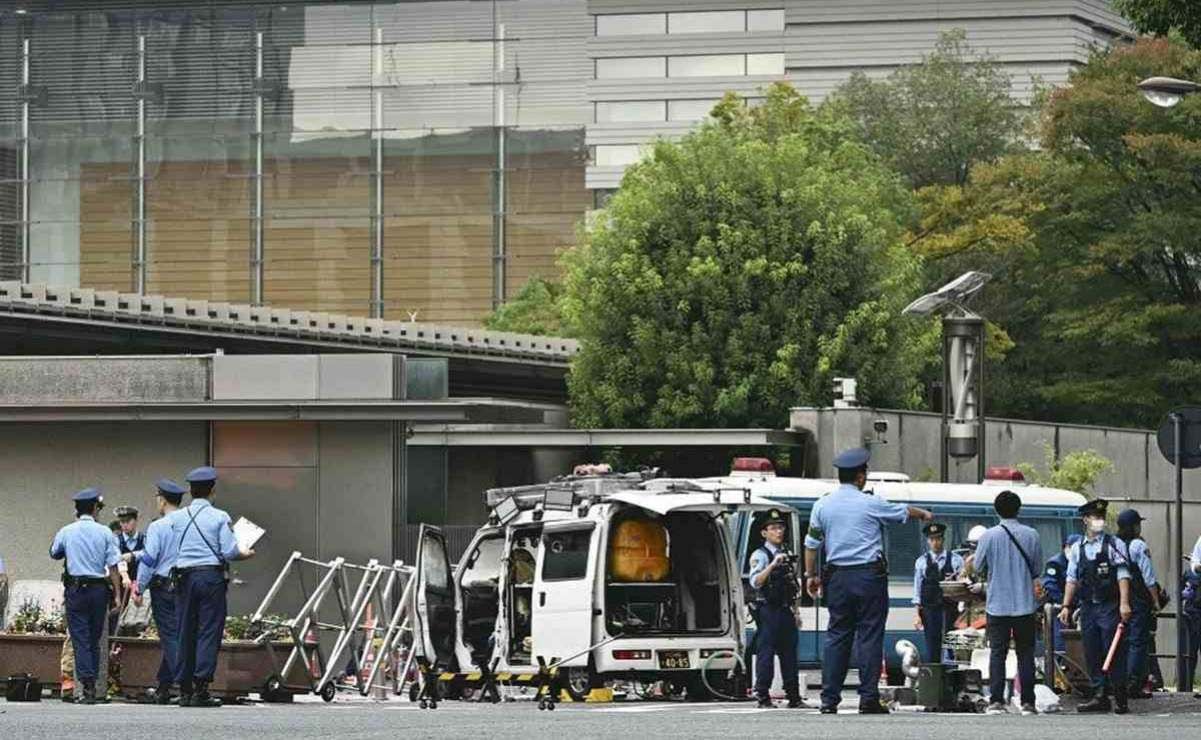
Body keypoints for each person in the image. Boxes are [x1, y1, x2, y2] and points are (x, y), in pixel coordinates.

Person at [803, 447, 933, 714]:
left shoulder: (822, 505)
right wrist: (924, 514)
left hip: (836, 578)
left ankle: (829, 701)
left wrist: (810, 575)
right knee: (870, 637)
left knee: (836, 637)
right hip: (868, 578)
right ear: (861, 477)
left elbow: (812, 544)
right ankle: (868, 698)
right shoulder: (870, 503)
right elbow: (902, 512)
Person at [170, 466, 255, 707]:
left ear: (190, 491)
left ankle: (184, 689)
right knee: (208, 630)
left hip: (183, 577)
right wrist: (245, 553)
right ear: (212, 491)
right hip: (210, 578)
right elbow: (229, 551)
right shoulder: (220, 517)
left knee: (185, 630)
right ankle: (201, 688)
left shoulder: (176, 518)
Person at [972, 490, 1045, 716]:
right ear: (1018, 509)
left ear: (996, 510)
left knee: (998, 653)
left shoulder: (988, 536)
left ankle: (996, 701)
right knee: (1026, 654)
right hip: (1024, 604)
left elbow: (977, 567)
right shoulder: (1031, 535)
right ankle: (1028, 703)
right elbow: (1037, 569)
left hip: (997, 605)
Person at [48, 488, 122, 705]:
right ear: (94, 508)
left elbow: (54, 552)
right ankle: (94, 687)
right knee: (94, 638)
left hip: (76, 590)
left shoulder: (66, 531)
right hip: (99, 590)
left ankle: (87, 687)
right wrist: (117, 595)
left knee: (80, 638)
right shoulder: (105, 533)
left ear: (76, 510)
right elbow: (113, 566)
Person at [1059, 499, 1132, 714]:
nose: (1099, 521)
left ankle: (1120, 696)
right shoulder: (1077, 548)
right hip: (1088, 606)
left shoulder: (1113, 544)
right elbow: (1071, 578)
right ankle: (1099, 695)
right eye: (1094, 517)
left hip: (1109, 605)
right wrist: (1066, 605)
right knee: (1091, 651)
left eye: (1101, 517)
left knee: (1114, 651)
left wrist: (1125, 603)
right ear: (1085, 520)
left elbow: (1123, 574)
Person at [134, 479, 187, 704]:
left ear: (162, 500)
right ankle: (164, 686)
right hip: (187, 585)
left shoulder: (158, 526)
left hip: (163, 586)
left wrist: (139, 586)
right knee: (179, 635)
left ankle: (186, 685)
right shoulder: (189, 521)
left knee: (169, 637)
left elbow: (150, 558)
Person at [747, 508, 802, 708]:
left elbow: (792, 583)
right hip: (768, 609)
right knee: (766, 653)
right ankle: (762, 695)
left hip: (785, 608)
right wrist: (772, 565)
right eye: (773, 528)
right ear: (764, 533)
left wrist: (796, 611)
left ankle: (794, 697)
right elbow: (755, 582)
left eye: (780, 528)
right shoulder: (760, 555)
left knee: (789, 654)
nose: (779, 532)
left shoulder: (785, 551)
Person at [1114, 508, 1162, 699]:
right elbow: (1148, 577)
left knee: (1121, 641)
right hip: (1138, 599)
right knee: (1138, 641)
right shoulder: (1138, 546)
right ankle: (1134, 683)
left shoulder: (1114, 544)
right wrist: (1156, 600)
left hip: (1118, 599)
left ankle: (1120, 681)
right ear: (1134, 526)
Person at [912, 522, 964, 664]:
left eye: (938, 539)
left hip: (950, 609)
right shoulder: (921, 562)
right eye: (932, 539)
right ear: (928, 541)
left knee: (952, 646)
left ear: (943, 539)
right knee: (932, 646)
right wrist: (917, 615)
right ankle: (934, 679)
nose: (935, 542)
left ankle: (951, 679)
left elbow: (963, 586)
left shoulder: (955, 560)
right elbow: (917, 590)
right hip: (930, 610)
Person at [1042, 533, 1083, 652]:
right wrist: (1065, 603)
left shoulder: (1081, 562)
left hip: (1079, 607)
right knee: (1060, 640)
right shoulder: (1055, 563)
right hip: (1060, 607)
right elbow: (1050, 585)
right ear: (1066, 547)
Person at [115, 506, 146, 584]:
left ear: (136, 520)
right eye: (122, 522)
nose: (125, 525)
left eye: (128, 521)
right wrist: (125, 576)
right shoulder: (116, 540)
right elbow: (117, 560)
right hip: (123, 585)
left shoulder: (145, 539)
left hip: (142, 584)